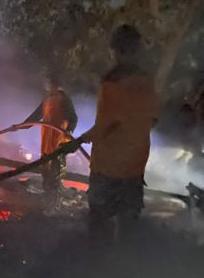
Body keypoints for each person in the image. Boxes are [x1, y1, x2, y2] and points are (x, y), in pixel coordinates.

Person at [79, 24, 159, 244]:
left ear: (116, 50)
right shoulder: (147, 83)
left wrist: (83, 138)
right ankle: (123, 270)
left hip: (107, 169)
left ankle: (97, 270)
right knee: (128, 228)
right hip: (134, 169)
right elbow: (152, 120)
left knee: (99, 224)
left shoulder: (112, 83)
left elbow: (106, 124)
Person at [24, 71, 78, 204]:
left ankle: (55, 199)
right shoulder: (48, 99)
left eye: (48, 83)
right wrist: (22, 125)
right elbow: (36, 115)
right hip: (47, 139)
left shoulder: (63, 98)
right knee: (45, 167)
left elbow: (73, 117)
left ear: (55, 84)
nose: (46, 85)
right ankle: (47, 197)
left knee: (56, 168)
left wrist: (69, 130)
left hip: (59, 140)